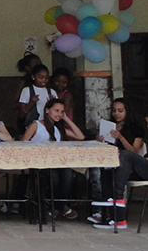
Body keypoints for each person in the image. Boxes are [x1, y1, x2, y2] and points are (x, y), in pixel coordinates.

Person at [23, 97, 85, 221]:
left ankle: (56, 208)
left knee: (68, 175)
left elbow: (80, 136)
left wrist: (66, 118)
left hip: (57, 162)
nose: (59, 114)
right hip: (40, 163)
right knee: (54, 178)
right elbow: (23, 142)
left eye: (62, 112)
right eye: (56, 111)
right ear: (47, 110)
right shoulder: (36, 125)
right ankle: (61, 207)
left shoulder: (58, 128)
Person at [91, 98, 147, 229]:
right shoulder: (110, 126)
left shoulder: (136, 127)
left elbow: (133, 151)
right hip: (121, 168)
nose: (116, 113)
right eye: (114, 110)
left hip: (138, 167)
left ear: (127, 111)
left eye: (120, 111)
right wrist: (101, 141)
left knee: (124, 155)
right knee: (107, 168)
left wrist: (120, 137)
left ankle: (118, 199)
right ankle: (116, 219)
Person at [18, 64, 56, 136]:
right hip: (31, 128)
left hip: (48, 127)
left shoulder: (52, 92)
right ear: (33, 77)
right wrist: (31, 103)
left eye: (46, 78)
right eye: (41, 77)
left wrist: (52, 103)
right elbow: (21, 114)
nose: (44, 80)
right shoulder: (27, 90)